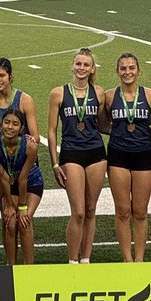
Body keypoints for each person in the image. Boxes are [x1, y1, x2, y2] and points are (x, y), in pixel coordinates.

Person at [47, 48, 109, 264]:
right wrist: (55, 163)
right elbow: (52, 130)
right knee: (79, 212)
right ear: (72, 66)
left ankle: (86, 259)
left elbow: (102, 125)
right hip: (71, 154)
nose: (82, 68)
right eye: (78, 64)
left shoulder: (99, 93)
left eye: (86, 65)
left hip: (96, 154)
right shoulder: (59, 93)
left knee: (91, 210)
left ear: (92, 69)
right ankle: (72, 261)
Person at [104, 54, 151, 263]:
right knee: (122, 210)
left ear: (139, 70)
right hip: (118, 155)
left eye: (131, 68)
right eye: (123, 68)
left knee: (140, 211)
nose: (127, 72)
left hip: (143, 155)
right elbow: (102, 123)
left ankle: (139, 259)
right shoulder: (109, 97)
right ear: (117, 71)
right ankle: (127, 259)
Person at [0, 108, 42, 265]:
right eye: (7, 122)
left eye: (15, 124)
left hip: (31, 182)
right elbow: (3, 176)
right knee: (10, 223)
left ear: (21, 128)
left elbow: (23, 178)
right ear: (1, 124)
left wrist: (22, 207)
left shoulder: (30, 147)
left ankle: (29, 268)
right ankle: (11, 267)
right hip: (9, 184)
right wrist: (7, 204)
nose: (10, 127)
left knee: (24, 221)